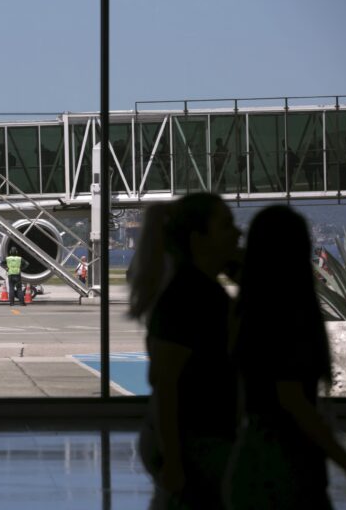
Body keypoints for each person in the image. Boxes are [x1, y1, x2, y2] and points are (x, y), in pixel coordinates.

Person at [225, 205, 346, 508]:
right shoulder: (289, 314)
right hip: (288, 458)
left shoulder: (249, 309)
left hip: (253, 451)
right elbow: (293, 400)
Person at [128, 193, 241, 509]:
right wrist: (174, 461)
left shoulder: (203, 290)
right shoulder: (187, 297)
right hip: (194, 442)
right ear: (198, 238)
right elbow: (165, 386)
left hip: (202, 438)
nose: (238, 233)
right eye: (226, 225)